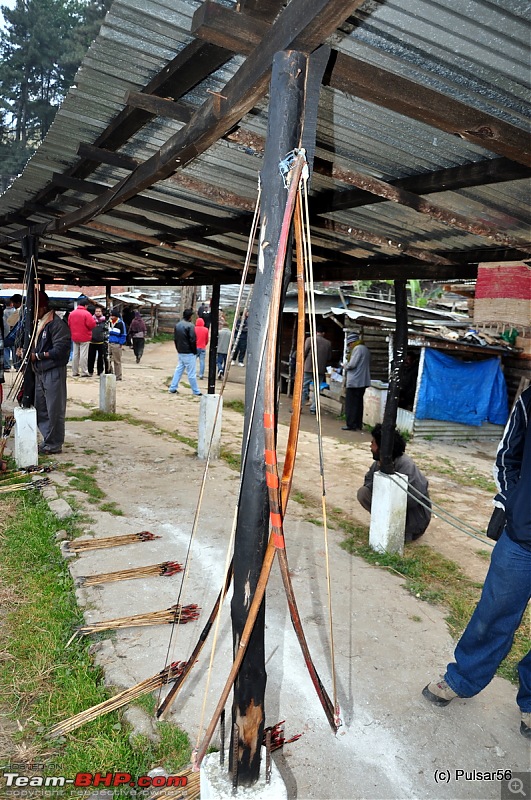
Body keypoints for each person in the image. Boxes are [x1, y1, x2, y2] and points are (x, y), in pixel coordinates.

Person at [422, 386, 531, 740]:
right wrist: (512, 502)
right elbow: (507, 458)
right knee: (494, 613)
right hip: (522, 538)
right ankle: (462, 678)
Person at [357, 423, 431, 542]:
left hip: (414, 519)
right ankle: (385, 526)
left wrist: (386, 496)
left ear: (382, 448)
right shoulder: (379, 462)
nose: (370, 446)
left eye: (373, 443)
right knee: (363, 493)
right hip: (391, 508)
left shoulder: (407, 466)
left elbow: (410, 500)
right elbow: (368, 481)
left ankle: (402, 531)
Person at [32, 291, 71, 454]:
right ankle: (48, 439)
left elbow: (61, 350)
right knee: (41, 407)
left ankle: (54, 443)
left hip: (53, 369)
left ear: (42, 307)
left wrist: (39, 356)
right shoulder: (40, 322)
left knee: (54, 408)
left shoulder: (56, 324)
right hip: (40, 371)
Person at [168, 308, 202, 396]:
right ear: (190, 317)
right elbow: (192, 340)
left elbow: (175, 339)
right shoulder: (190, 326)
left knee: (179, 370)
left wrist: (178, 348)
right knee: (191, 373)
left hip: (181, 351)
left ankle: (173, 387)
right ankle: (196, 391)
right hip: (189, 352)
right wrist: (194, 351)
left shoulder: (178, 325)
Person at [342, 332, 371, 431]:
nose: (349, 346)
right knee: (358, 404)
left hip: (355, 381)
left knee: (351, 404)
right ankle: (358, 424)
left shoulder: (358, 349)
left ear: (353, 342)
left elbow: (352, 365)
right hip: (362, 381)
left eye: (350, 344)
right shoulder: (365, 348)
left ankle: (351, 424)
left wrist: (344, 366)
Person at [301, 325, 333, 414]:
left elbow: (304, 353)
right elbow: (329, 357)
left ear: (316, 332)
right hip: (320, 369)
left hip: (308, 367)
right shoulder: (328, 343)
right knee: (317, 388)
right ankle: (313, 408)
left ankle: (299, 406)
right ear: (323, 333)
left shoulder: (309, 339)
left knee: (304, 387)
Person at [68, 297, 96, 377]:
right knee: (84, 355)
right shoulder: (87, 314)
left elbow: (69, 324)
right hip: (84, 336)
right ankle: (84, 371)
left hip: (74, 336)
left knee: (75, 354)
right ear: (86, 305)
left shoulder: (72, 313)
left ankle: (74, 371)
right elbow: (91, 325)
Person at [108, 307, 127, 380]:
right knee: (107, 359)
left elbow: (123, 334)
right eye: (111, 316)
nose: (112, 317)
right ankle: (110, 373)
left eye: (113, 316)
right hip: (109, 343)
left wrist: (120, 343)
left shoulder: (121, 323)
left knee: (117, 361)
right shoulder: (108, 322)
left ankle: (118, 376)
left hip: (116, 344)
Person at [87, 305, 106, 376]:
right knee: (91, 357)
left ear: (101, 312)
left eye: (99, 311)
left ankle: (100, 371)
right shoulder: (91, 319)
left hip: (101, 341)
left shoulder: (104, 320)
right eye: (96, 311)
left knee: (101, 358)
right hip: (92, 341)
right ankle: (90, 371)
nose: (98, 313)